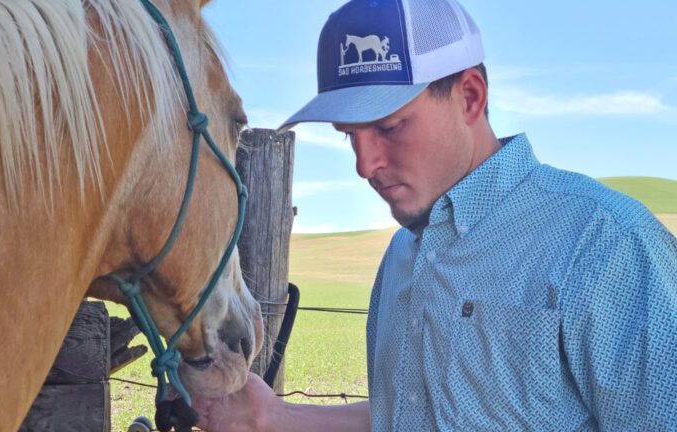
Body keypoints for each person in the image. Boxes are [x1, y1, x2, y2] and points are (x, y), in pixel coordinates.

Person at [192, 0, 677, 430]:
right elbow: (408, 415)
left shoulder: (607, 246)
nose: (365, 165)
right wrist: (275, 417)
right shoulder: (404, 254)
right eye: (349, 135)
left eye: (389, 126)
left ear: (470, 96)